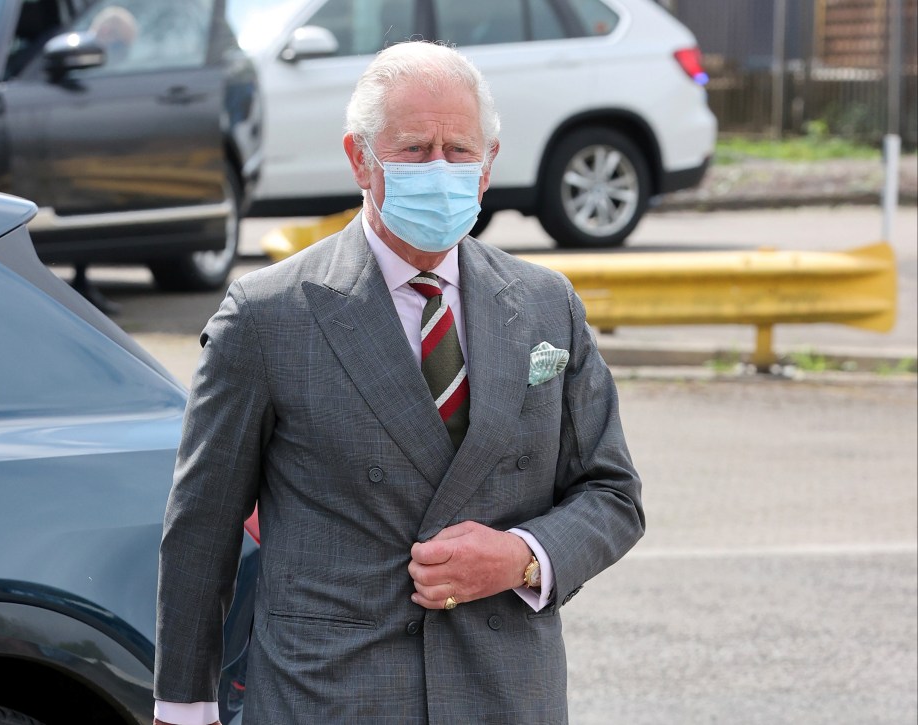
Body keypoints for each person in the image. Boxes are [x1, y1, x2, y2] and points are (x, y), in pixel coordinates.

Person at [154, 40, 644, 724]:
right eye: (415, 150)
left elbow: (613, 493)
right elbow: (202, 526)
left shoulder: (544, 303)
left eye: (458, 149)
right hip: (328, 697)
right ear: (360, 157)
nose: (439, 168)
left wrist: (521, 557)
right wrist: (184, 706)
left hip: (503, 695)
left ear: (488, 164)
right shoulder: (269, 313)